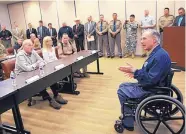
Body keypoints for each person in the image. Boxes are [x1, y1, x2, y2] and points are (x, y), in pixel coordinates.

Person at [117, 29, 171, 131]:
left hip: (152, 90)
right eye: (141, 39)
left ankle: (128, 121)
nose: (141, 41)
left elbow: (151, 80)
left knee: (121, 91)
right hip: (154, 86)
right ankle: (130, 113)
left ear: (154, 40)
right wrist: (135, 74)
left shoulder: (159, 56)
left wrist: (136, 72)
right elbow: (149, 72)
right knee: (123, 85)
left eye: (144, 38)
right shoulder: (158, 53)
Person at [15, 39, 68, 110]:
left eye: (32, 45)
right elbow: (27, 69)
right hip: (22, 77)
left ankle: (56, 95)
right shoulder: (20, 55)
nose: (32, 47)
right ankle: (50, 99)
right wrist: (37, 64)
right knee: (39, 82)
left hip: (33, 72)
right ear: (24, 46)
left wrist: (38, 64)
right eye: (29, 45)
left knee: (49, 76)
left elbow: (42, 61)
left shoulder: (33, 52)